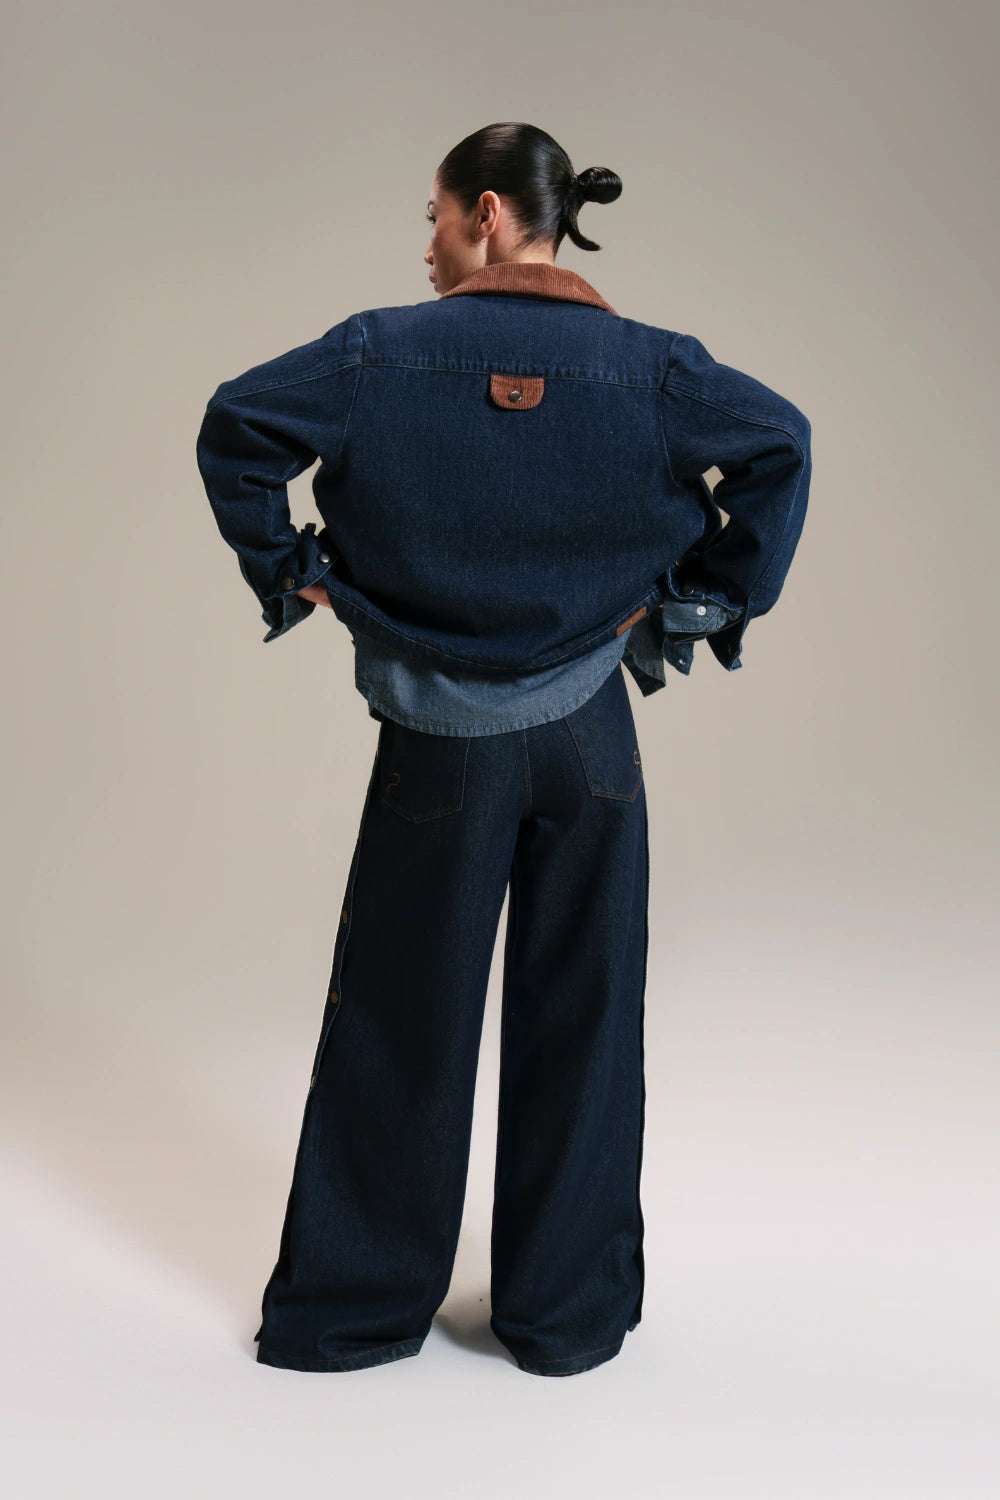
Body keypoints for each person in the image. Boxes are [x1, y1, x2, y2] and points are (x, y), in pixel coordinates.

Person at [195, 121, 812, 1378]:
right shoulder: (655, 369)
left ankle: (355, 1314)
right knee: (585, 1017)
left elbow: (239, 423)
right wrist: (702, 597)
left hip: (439, 743)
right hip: (590, 739)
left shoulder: (376, 352)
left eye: (431, 217)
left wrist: (295, 570)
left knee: (399, 1018)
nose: (425, 247)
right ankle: (563, 1316)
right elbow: (778, 443)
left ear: (485, 213)